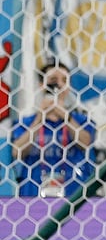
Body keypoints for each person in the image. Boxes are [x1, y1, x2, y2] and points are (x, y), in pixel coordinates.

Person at [10, 61, 96, 198]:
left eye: (64, 80)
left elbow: (85, 143)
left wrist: (64, 115)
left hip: (74, 195)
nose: (59, 85)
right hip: (33, 194)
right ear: (41, 85)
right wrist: (40, 118)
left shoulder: (82, 121)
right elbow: (17, 152)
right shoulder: (26, 122)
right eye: (53, 80)